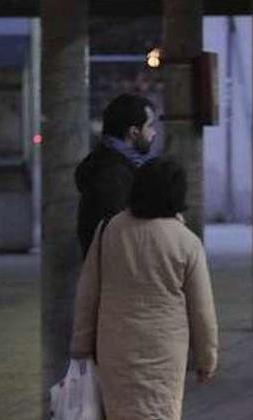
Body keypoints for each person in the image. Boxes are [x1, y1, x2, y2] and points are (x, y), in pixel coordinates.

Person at [70, 157, 218, 420]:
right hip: (163, 350)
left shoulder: (109, 229)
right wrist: (206, 359)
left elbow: (88, 292)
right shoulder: (187, 242)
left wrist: (81, 344)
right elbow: (201, 310)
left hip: (114, 346)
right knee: (159, 412)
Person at [75, 93, 158, 258]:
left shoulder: (106, 164)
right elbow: (117, 234)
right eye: (150, 126)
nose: (154, 132)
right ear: (134, 132)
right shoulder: (113, 175)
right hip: (119, 273)